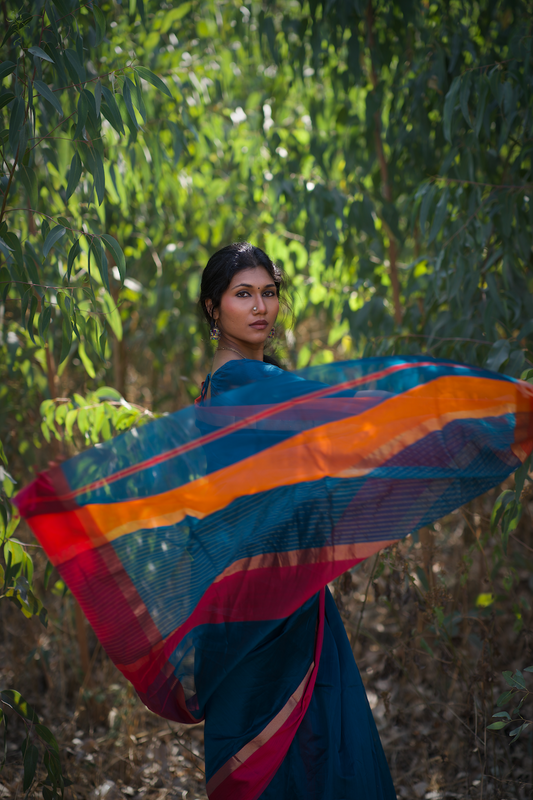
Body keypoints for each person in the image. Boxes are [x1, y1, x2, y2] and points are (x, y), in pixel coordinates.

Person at [16, 243, 533, 800]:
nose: (260, 307)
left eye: (269, 293)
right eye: (244, 295)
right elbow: (353, 416)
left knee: (278, 759)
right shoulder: (245, 387)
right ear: (213, 309)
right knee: (308, 760)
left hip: (260, 601)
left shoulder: (218, 391)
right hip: (268, 612)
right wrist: (479, 409)